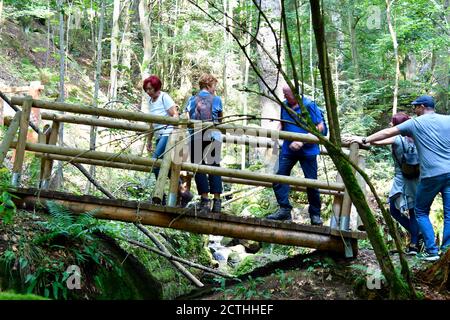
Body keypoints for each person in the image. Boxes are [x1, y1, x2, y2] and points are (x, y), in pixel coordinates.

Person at [352, 95, 450, 261]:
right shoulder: (447, 120)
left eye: (416, 107)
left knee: (420, 211)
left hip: (431, 175)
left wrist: (364, 139)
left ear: (423, 107)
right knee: (449, 213)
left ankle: (432, 251)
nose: (414, 110)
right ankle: (446, 250)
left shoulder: (416, 123)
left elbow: (388, 132)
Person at [361, 112, 422, 255]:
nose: (390, 124)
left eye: (392, 122)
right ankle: (416, 238)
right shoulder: (417, 137)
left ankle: (415, 241)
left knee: (395, 210)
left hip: (401, 177)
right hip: (417, 177)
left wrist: (361, 139)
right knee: (413, 210)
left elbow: (375, 141)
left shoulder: (396, 138)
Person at [266, 86, 325, 225]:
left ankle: (315, 215)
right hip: (288, 149)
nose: (284, 96)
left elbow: (320, 127)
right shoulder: (284, 105)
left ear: (296, 93)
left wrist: (302, 140)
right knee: (279, 176)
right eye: (284, 94)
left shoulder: (309, 105)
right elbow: (283, 123)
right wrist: (277, 132)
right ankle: (284, 210)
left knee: (311, 182)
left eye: (287, 94)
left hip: (308, 150)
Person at [143, 75, 192, 206]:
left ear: (156, 87)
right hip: (160, 135)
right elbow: (152, 123)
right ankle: (183, 192)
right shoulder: (150, 101)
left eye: (150, 89)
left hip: (168, 134)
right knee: (165, 166)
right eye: (146, 89)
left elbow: (175, 115)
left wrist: (175, 136)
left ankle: (160, 195)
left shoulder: (164, 97)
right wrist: (149, 140)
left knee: (155, 161)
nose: (148, 92)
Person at [185, 73, 224, 213]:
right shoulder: (217, 99)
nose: (215, 89)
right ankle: (217, 201)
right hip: (213, 136)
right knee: (214, 167)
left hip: (196, 136)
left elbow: (188, 118)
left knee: (199, 168)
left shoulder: (191, 100)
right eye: (214, 86)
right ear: (208, 85)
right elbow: (220, 120)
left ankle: (205, 201)